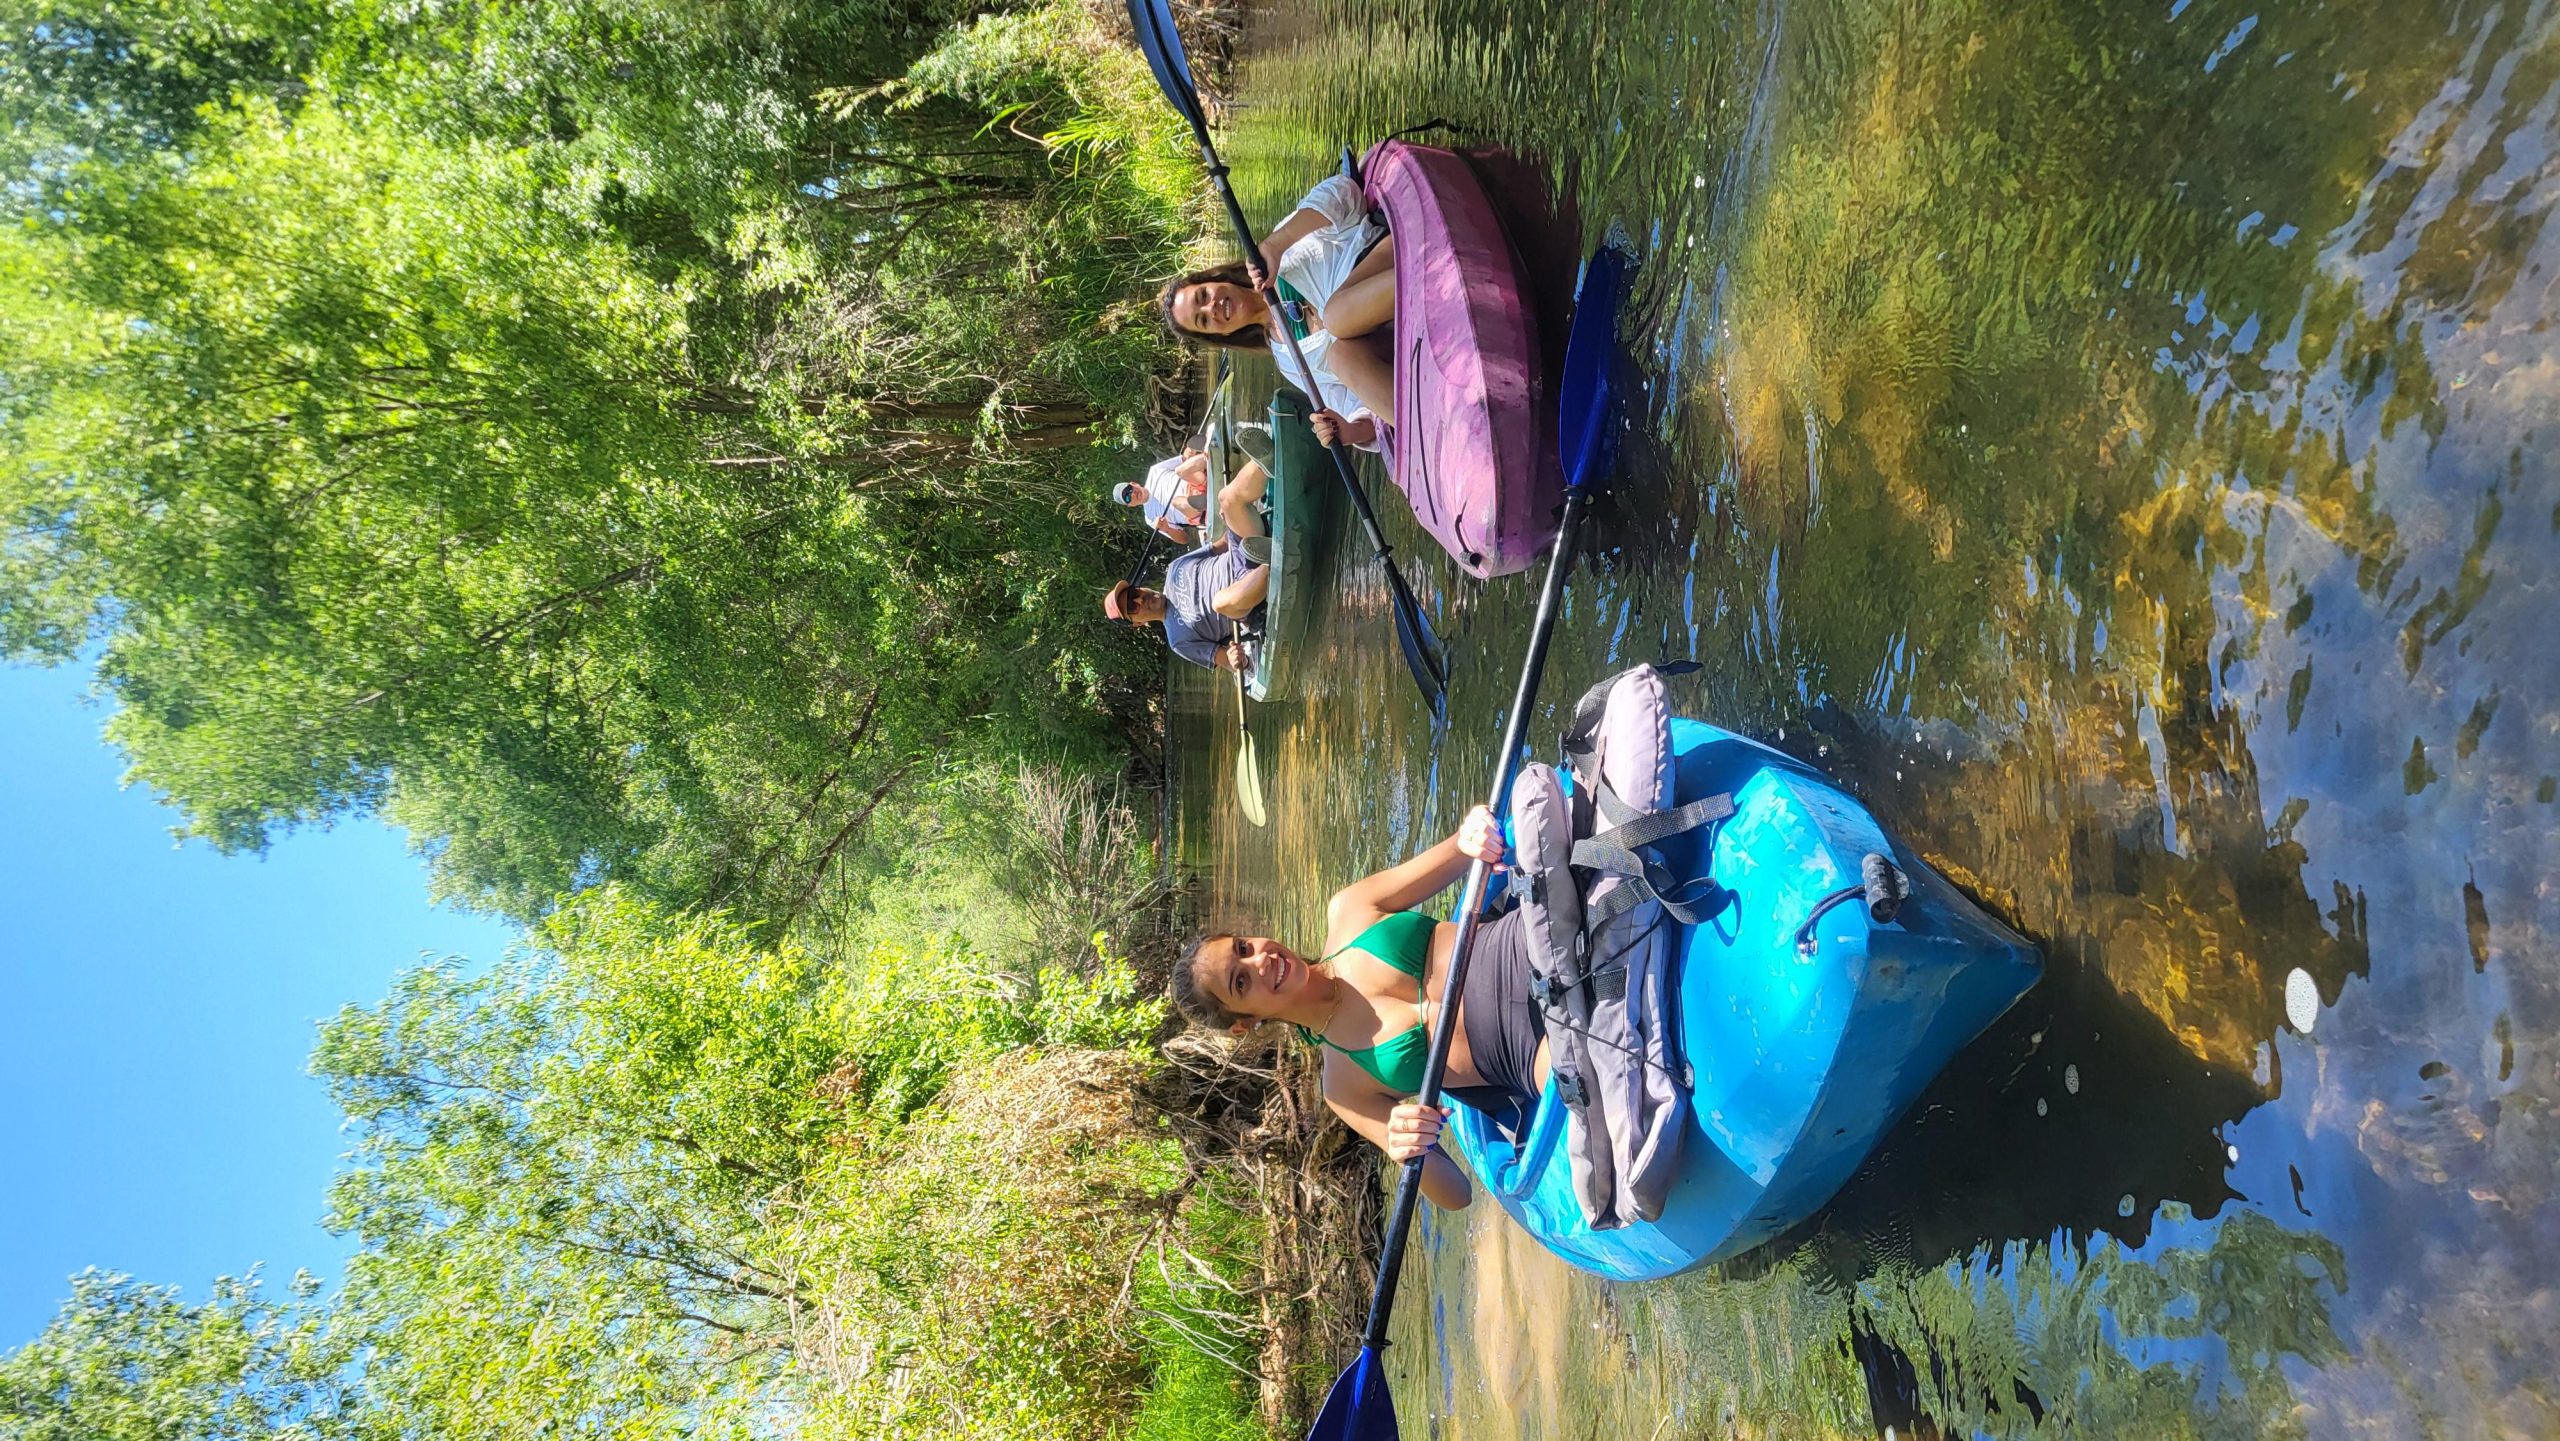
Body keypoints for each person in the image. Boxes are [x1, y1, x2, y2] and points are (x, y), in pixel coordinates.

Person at [1168, 806, 1547, 1211]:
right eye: (1240, 982)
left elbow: (1459, 850)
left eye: (1243, 947)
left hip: (1526, 945)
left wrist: (1473, 834)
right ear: (1245, 1023)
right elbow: (1457, 1195)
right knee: (1584, 1061)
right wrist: (1404, 1148)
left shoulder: (1350, 910)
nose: (1260, 961)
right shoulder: (1343, 1087)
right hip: (1529, 1055)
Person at [1157, 170, 1393, 454]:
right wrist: (1351, 430)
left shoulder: (1278, 255)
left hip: (1389, 262)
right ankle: (1432, 435)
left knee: (1335, 318)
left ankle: (1427, 278)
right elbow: (1356, 407)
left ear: (1217, 278)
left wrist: (1276, 244)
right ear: (1222, 334)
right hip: (1392, 343)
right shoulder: (1289, 360)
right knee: (1339, 356)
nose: (1213, 307)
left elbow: (1345, 194)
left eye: (1203, 296)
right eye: (1204, 320)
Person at [1101, 459, 1272, 671]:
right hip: (1245, 598)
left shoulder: (1175, 568)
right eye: (1132, 607)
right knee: (1220, 602)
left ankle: (1268, 459)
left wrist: (1229, 516)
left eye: (1134, 592)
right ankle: (1273, 564)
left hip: (1244, 551)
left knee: (1226, 499)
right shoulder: (1178, 641)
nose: (1140, 598)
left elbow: (1224, 543)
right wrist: (1237, 659)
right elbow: (1228, 661)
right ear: (1137, 623)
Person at [1116, 447, 1212, 543]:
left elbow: (1184, 458)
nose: (1132, 494)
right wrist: (1167, 529)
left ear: (1134, 483)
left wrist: (1190, 450)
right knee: (1177, 502)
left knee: (1179, 470)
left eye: (1129, 489)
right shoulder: (1150, 519)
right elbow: (1184, 539)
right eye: (1128, 498)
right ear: (1130, 505)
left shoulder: (1155, 470)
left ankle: (1211, 453)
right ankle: (1209, 502)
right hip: (1195, 511)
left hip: (1199, 482)